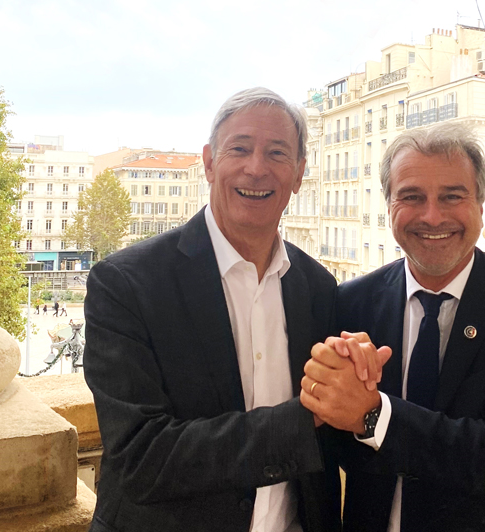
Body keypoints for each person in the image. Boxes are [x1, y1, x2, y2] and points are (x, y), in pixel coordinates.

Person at [84, 88, 380, 532]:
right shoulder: (127, 284)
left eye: (277, 153)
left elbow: (331, 448)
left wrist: (354, 384)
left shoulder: (317, 288)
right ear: (209, 162)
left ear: (299, 174)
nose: (256, 168)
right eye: (239, 149)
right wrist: (307, 416)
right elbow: (141, 458)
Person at [301, 122, 485, 532]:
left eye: (452, 196)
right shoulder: (351, 303)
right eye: (412, 197)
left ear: (481, 206)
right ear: (389, 206)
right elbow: (335, 447)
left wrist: (374, 415)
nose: (433, 216)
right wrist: (323, 388)